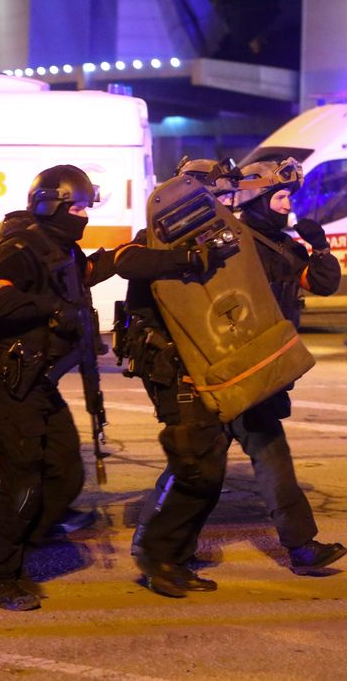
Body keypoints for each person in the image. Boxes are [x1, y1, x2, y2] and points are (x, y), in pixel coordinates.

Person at [0, 164, 113, 610]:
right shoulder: (20, 248)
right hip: (12, 384)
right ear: (53, 204)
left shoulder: (60, 248)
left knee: (66, 472)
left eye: (87, 208)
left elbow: (79, 277)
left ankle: (26, 540)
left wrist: (133, 250)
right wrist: (51, 311)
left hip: (40, 383)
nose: (84, 216)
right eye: (79, 207)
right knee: (22, 483)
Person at [114, 164, 237, 598]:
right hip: (169, 364)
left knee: (210, 464)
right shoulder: (160, 233)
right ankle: (156, 552)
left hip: (204, 361)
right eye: (216, 194)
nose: (223, 202)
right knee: (194, 462)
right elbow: (126, 260)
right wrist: (187, 258)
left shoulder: (216, 237)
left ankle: (175, 557)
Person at [227, 158, 347, 574]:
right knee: (196, 470)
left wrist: (321, 247)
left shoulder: (286, 248)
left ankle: (302, 547)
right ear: (257, 200)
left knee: (269, 457)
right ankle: (158, 547)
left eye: (287, 198)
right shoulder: (232, 243)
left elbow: (326, 284)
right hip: (228, 370)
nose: (286, 206)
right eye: (279, 197)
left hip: (263, 372)